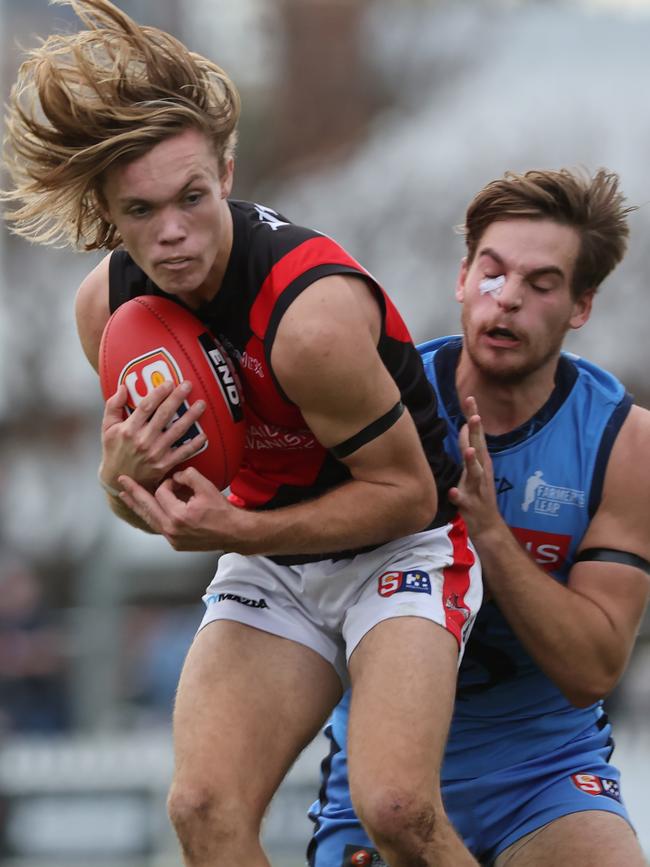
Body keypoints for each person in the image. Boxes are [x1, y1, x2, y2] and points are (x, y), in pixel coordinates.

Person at [1, 2, 483, 865]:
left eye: (192, 197)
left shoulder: (310, 319)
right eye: (143, 211)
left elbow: (408, 494)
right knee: (201, 806)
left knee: (398, 808)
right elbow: (162, 512)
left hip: (403, 544)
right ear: (111, 215)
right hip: (270, 555)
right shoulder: (106, 314)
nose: (174, 232)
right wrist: (119, 482)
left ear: (226, 172)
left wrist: (242, 530)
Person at [308, 168, 650, 867]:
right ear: (462, 276)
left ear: (581, 305)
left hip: (545, 772)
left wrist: (489, 533)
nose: (509, 300)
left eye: (541, 284)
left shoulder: (625, 441)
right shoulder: (383, 404)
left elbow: (594, 666)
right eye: (493, 274)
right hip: (388, 770)